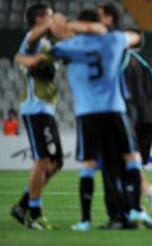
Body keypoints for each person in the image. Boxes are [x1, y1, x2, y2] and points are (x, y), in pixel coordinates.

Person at [49, 9, 152, 230]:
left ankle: (86, 220)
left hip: (87, 113)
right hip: (115, 110)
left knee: (90, 163)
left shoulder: (69, 47)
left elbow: (48, 53)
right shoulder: (113, 40)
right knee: (129, 158)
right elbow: (136, 37)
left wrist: (66, 27)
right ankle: (136, 210)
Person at [98, 3, 152, 216]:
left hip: (127, 115)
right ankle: (139, 203)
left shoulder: (119, 58)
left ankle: (145, 195)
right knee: (135, 162)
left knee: (124, 160)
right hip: (150, 118)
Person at [10, 4, 63, 230]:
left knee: (56, 161)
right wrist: (55, 23)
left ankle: (23, 204)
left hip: (46, 108)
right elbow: (32, 37)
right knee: (42, 160)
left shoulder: (47, 44)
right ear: (40, 18)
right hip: (35, 108)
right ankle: (34, 212)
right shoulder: (30, 40)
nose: (52, 19)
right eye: (49, 16)